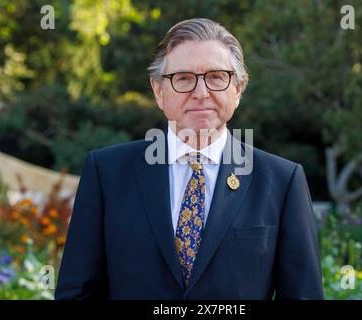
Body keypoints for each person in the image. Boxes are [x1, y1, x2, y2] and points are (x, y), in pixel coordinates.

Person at [55, 18, 323, 300]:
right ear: (159, 91)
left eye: (216, 77)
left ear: (238, 89)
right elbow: (78, 293)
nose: (201, 93)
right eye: (183, 78)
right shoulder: (106, 173)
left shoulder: (281, 181)